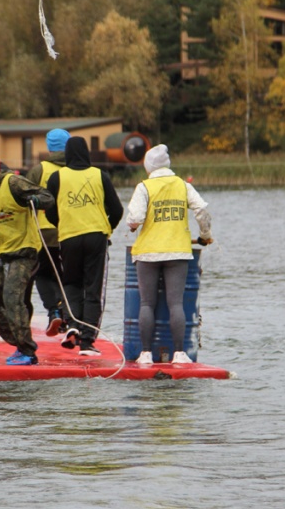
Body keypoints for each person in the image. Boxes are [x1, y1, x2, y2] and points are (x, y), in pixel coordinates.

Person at [125, 144, 212, 364]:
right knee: (176, 304)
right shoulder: (183, 185)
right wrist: (205, 235)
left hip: (148, 253)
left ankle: (145, 354)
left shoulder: (144, 187)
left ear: (148, 166)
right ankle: (179, 354)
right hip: (178, 252)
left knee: (147, 304)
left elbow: (135, 219)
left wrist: (133, 226)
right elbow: (201, 210)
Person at [0, 150, 55, 365]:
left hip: (25, 251)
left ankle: (28, 353)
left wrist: (36, 199)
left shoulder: (14, 182)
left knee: (12, 299)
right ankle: (20, 343)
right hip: (3, 254)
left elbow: (48, 197)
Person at [45, 136, 123, 356]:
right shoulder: (100, 175)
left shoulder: (57, 177)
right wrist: (107, 228)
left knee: (71, 283)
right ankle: (87, 341)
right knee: (93, 288)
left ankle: (72, 325)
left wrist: (63, 224)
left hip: (69, 238)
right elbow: (117, 210)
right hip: (96, 237)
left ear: (68, 154)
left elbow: (49, 211)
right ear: (87, 153)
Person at [25, 128, 70, 336]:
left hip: (42, 232)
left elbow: (24, 200)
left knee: (43, 275)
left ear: (49, 148)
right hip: (69, 232)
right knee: (65, 277)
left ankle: (54, 311)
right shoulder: (75, 168)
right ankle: (68, 316)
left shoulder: (39, 170)